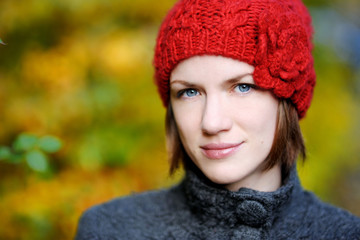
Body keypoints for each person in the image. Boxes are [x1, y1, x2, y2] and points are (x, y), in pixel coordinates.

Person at [75, 0, 360, 239]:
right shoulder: (110, 229)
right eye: (189, 92)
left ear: (288, 98)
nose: (211, 123)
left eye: (242, 87)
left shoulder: (344, 234)